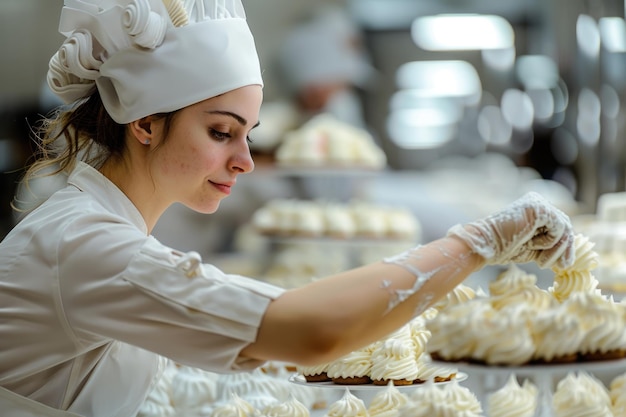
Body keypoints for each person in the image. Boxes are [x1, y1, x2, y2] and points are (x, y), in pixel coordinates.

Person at [0, 1, 575, 416]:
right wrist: (473, 244)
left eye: (248, 133)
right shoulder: (82, 244)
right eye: (222, 132)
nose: (246, 160)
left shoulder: (103, 228)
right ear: (145, 122)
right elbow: (308, 331)